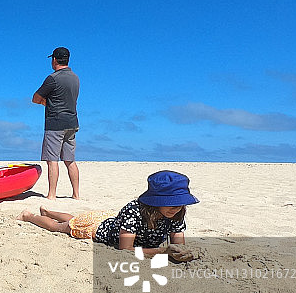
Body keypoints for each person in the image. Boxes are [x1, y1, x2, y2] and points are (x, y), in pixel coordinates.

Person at [17, 170, 198, 260]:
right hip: (99, 229)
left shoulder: (177, 212)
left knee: (74, 218)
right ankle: (30, 216)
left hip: (113, 221)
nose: (175, 207)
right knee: (60, 227)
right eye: (170, 202)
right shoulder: (133, 211)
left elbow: (178, 244)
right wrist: (161, 252)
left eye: (179, 202)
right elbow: (125, 249)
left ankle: (47, 211)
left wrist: (180, 253)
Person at [32, 46, 80, 199]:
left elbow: (35, 98)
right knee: (70, 160)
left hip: (55, 122)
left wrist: (45, 103)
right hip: (72, 122)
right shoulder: (75, 78)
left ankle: (51, 195)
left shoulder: (53, 78)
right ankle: (76, 195)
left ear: (54, 59)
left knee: (52, 160)